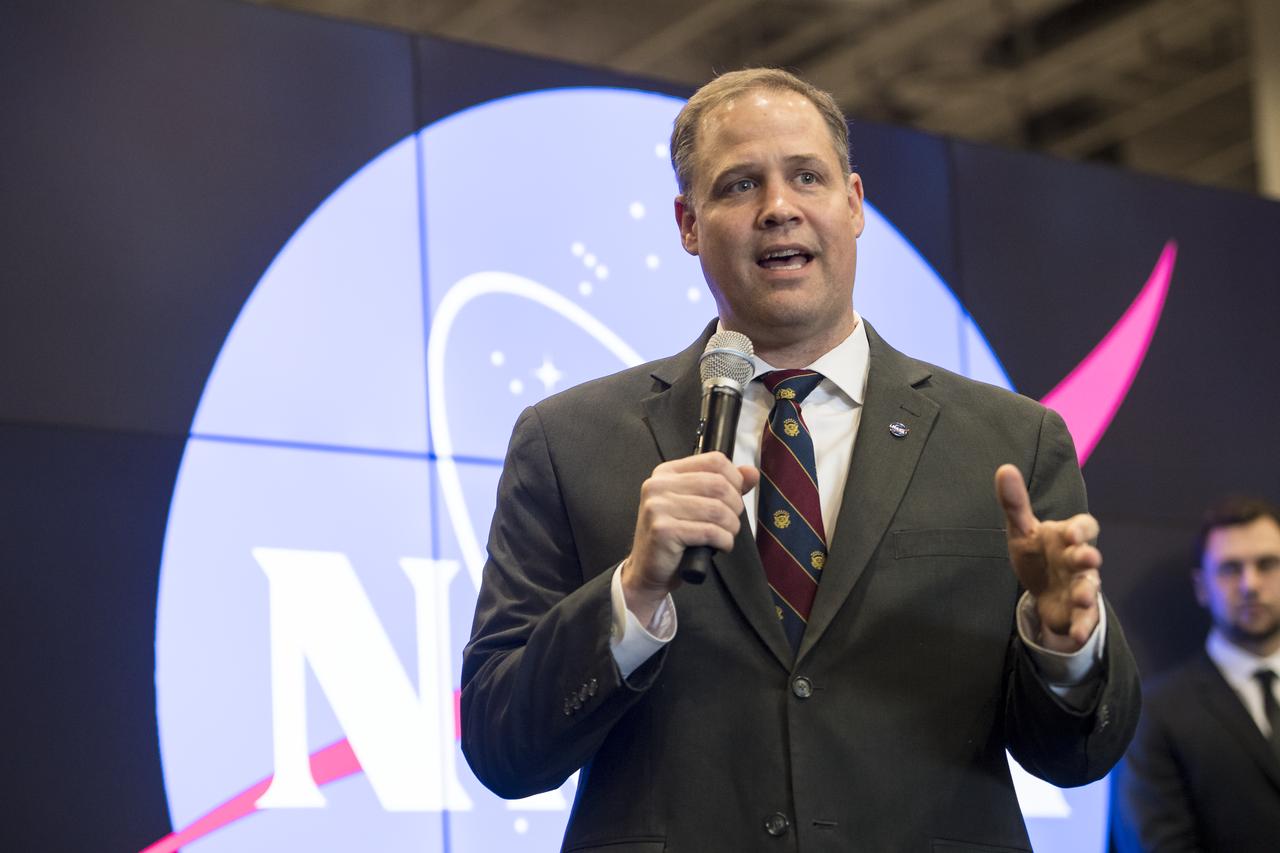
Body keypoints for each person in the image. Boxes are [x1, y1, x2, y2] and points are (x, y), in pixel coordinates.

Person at [461, 68, 1139, 852]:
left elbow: (1081, 752)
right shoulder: (567, 440)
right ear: (688, 223)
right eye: (740, 184)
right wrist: (634, 593)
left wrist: (1063, 640)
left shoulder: (1009, 443)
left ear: (853, 204)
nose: (778, 207)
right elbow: (499, 743)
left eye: (806, 177)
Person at [1111, 497, 1280, 851]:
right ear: (1202, 587)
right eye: (1230, 569)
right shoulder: (1155, 713)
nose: (1250, 584)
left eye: (1267, 564)